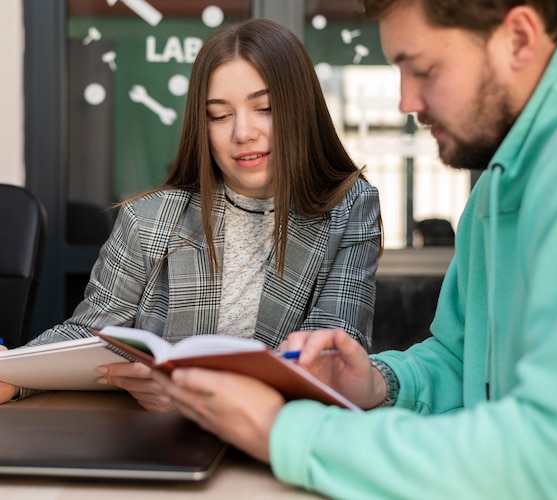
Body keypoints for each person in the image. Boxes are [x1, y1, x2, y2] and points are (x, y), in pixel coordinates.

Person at [155, 1, 557, 498]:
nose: (405, 100)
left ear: (520, 39)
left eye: (422, 69)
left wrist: (286, 434)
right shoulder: (503, 173)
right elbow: (463, 360)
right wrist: (381, 384)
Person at [0, 19, 382, 410]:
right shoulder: (147, 217)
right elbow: (87, 333)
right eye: (219, 115)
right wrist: (12, 375)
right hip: (152, 437)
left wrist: (189, 392)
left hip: (278, 437)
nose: (243, 132)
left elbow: (334, 350)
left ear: (301, 109)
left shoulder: (350, 208)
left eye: (264, 108)